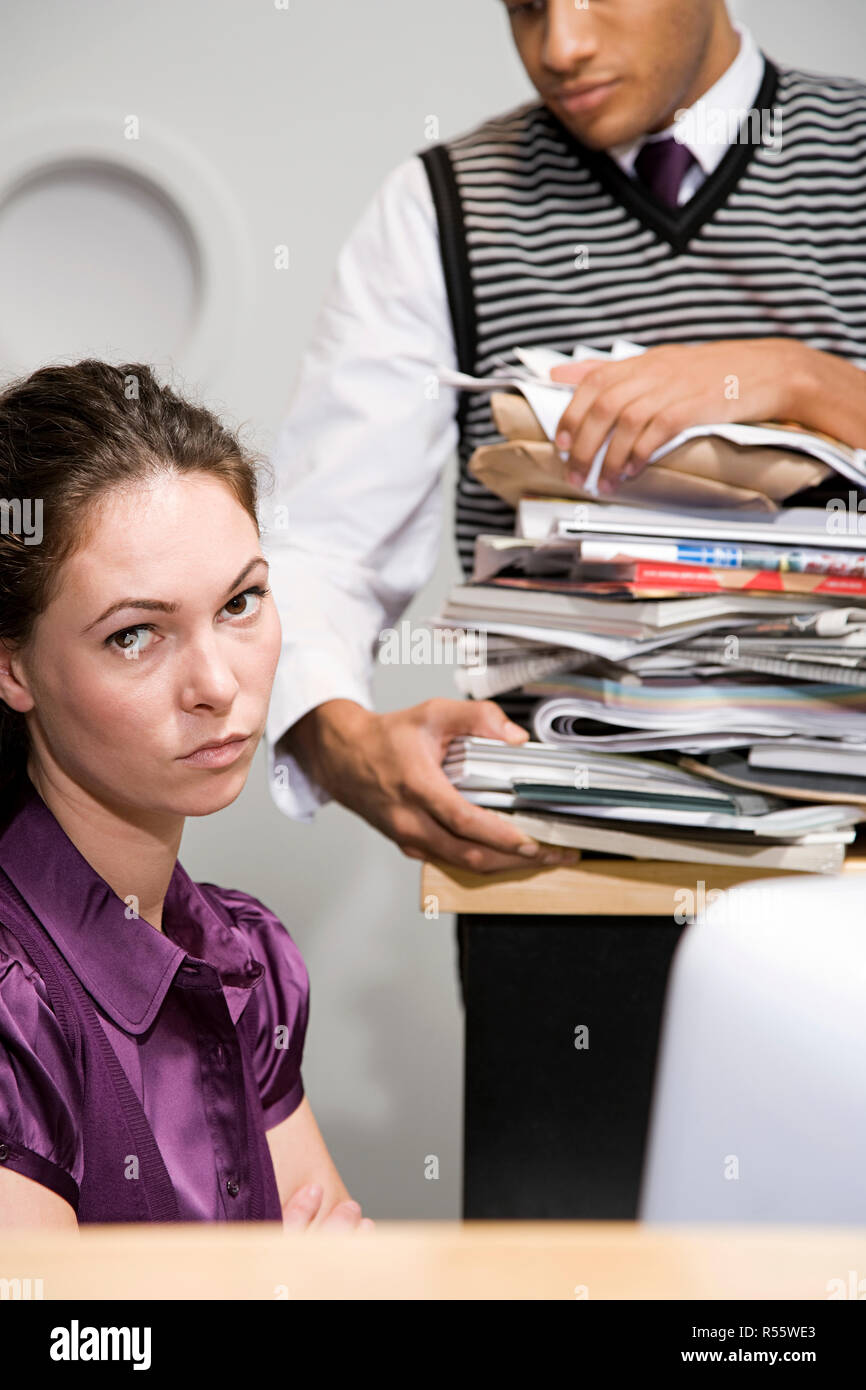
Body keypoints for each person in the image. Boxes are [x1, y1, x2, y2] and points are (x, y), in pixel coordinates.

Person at [263, 0, 866, 1216]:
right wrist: (340, 739)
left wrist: (805, 382)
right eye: (526, 3)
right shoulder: (438, 204)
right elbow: (317, 541)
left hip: (846, 898)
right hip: (556, 890)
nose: (562, 44)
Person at [0, 360, 373, 1231]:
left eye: (241, 602)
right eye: (136, 634)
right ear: (12, 665)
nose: (217, 683)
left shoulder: (251, 960)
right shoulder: (13, 1006)